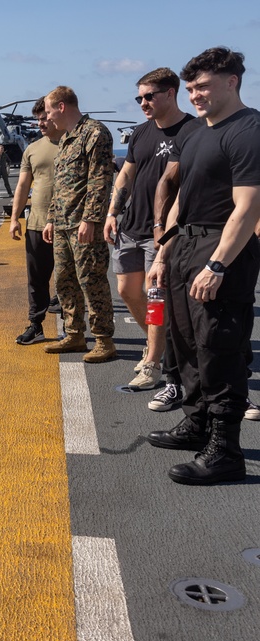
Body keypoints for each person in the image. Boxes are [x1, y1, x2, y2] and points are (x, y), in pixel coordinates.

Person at [144, 47, 260, 485]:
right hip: (185, 247)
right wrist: (162, 254)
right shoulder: (195, 134)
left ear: (232, 82)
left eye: (204, 86)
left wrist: (218, 265)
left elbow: (247, 208)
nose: (196, 95)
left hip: (221, 248)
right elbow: (179, 199)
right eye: (191, 88)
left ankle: (225, 450)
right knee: (186, 343)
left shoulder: (248, 130)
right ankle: (197, 424)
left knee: (220, 347)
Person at [105, 68, 197, 389]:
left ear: (170, 93)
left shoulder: (191, 131)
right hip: (131, 226)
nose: (143, 102)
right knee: (128, 292)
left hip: (163, 233)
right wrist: (113, 212)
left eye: (149, 96)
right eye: (139, 97)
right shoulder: (142, 132)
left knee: (156, 296)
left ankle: (153, 364)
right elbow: (126, 175)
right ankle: (163, 345)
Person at [42, 86, 117, 363]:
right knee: (64, 280)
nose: (48, 118)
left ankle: (103, 339)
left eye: (49, 111)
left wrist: (90, 219)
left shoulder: (95, 133)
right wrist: (51, 218)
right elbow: (59, 184)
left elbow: (100, 181)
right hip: (63, 223)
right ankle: (73, 333)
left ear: (62, 107)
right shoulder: (65, 140)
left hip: (84, 224)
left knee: (91, 280)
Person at [10, 99, 64, 345]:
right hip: (36, 223)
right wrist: (14, 218)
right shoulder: (31, 148)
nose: (41, 123)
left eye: (45, 117)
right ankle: (36, 324)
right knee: (36, 280)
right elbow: (23, 185)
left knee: (69, 278)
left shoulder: (73, 144)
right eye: (38, 119)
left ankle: (74, 327)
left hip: (68, 224)